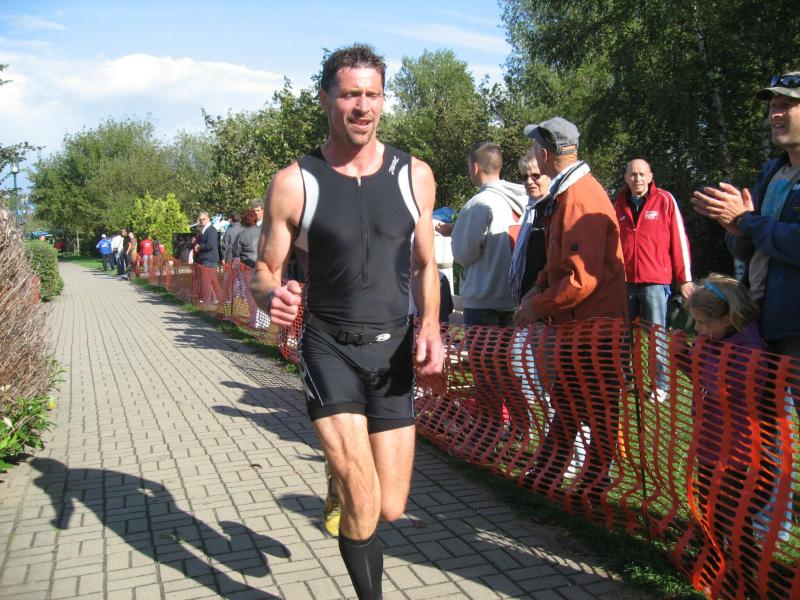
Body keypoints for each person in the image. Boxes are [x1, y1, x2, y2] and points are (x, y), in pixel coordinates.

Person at [249, 44, 444, 600]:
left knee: (391, 506)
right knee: (363, 499)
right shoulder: (296, 181)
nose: (363, 106)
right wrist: (270, 297)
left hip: (392, 350)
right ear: (325, 100)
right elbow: (263, 270)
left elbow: (425, 264)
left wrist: (431, 327)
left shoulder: (415, 175)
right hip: (328, 348)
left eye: (373, 94)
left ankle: (340, 475)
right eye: (351, 94)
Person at [514, 117, 627, 500]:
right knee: (571, 405)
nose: (533, 155)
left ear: (546, 154)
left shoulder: (579, 198)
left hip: (592, 330)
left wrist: (537, 305)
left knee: (596, 411)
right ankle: (550, 477)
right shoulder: (569, 194)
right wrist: (539, 286)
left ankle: (588, 485)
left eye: (535, 148)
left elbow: (581, 280)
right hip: (581, 328)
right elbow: (559, 260)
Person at [681, 274, 791, 594]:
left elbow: (722, 387)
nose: (698, 329)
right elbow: (701, 376)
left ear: (728, 318)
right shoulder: (715, 343)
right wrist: (682, 357)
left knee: (734, 518)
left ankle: (745, 578)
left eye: (703, 323)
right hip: (710, 445)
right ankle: (716, 563)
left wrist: (699, 354)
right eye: (696, 322)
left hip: (737, 455)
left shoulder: (750, 351)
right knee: (709, 508)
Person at [692, 71, 800, 365]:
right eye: (773, 107)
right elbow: (749, 248)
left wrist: (746, 222)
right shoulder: (772, 172)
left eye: (786, 105)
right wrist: (738, 232)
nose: (775, 115)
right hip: (764, 322)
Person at [614, 158, 693, 400]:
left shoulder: (665, 200)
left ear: (650, 176)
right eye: (632, 174)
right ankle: (624, 381)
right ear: (626, 178)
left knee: (656, 336)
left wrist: (685, 278)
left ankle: (660, 385)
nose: (637, 178)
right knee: (622, 336)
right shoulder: (617, 204)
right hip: (624, 282)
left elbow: (679, 240)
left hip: (655, 281)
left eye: (642, 174)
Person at [444, 141, 526, 326]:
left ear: (475, 168)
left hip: (483, 300)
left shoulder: (478, 204)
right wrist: (457, 228)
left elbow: (463, 255)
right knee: (509, 347)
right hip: (514, 299)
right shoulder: (523, 200)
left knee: (482, 347)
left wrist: (457, 234)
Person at [194, 212, 223, 303]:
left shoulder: (211, 230)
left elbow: (211, 245)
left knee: (207, 280)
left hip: (209, 259)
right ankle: (213, 299)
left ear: (208, 219)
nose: (202, 221)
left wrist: (199, 247)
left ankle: (211, 299)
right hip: (206, 259)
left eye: (204, 219)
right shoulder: (205, 230)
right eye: (200, 220)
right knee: (208, 280)